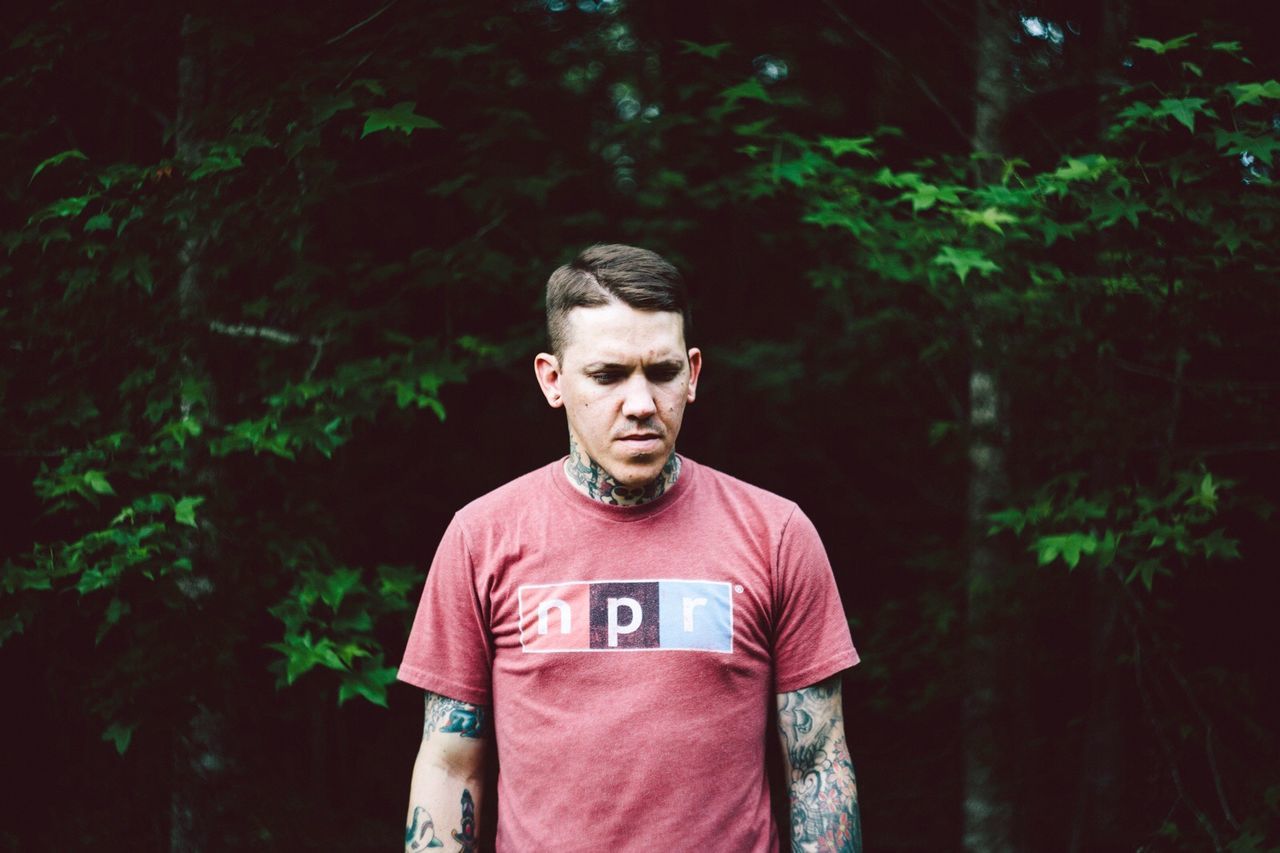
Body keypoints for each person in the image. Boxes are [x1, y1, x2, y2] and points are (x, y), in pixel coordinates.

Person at [399, 244, 862, 852]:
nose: (641, 404)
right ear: (552, 379)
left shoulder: (775, 534)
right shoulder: (481, 538)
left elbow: (819, 767)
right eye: (608, 375)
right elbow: (450, 766)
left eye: (662, 372)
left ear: (693, 374)